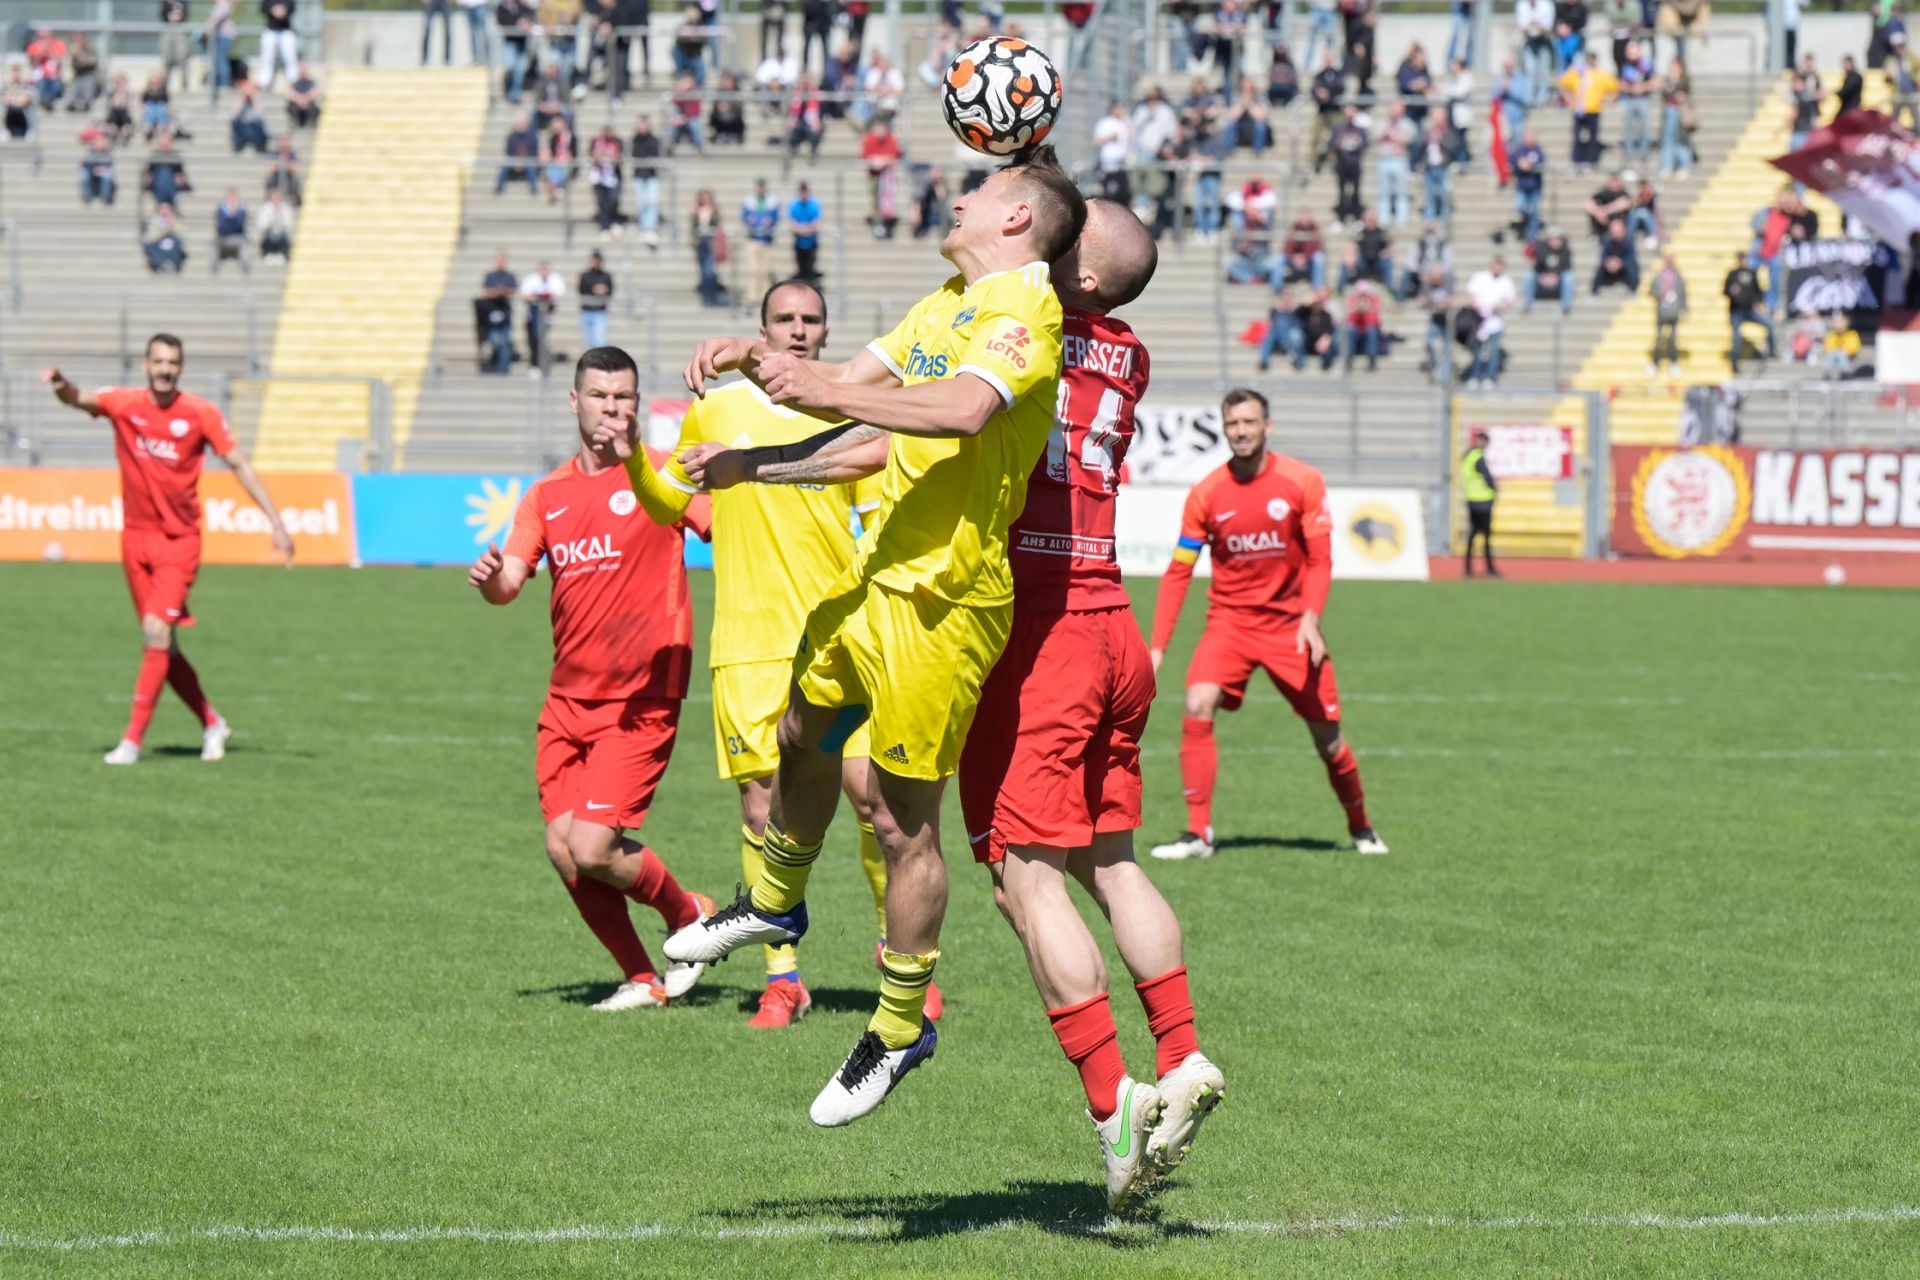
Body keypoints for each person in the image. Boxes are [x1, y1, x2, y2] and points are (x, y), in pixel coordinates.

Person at [654, 146, 1088, 1127]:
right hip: (877, 576)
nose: (960, 195)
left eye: (982, 188)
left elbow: (960, 410)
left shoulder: (1025, 312)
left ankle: (897, 1027)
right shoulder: (945, 303)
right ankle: (774, 899)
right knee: (800, 731)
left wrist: (817, 388)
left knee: (900, 823)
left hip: (946, 602)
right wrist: (756, 412)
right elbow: (854, 408)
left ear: (1017, 217)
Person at [954, 199, 1223, 1210]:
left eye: (1069, 238)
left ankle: (1115, 1106)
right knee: (1111, 860)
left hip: (1046, 629)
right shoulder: (1128, 353)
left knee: (1025, 880)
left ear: (1085, 277)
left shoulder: (1024, 328)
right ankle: (1183, 1052)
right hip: (1114, 620)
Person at [623, 278, 943, 1030]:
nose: (798, 330)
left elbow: (877, 516)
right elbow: (669, 503)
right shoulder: (716, 409)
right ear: (761, 329)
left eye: (811, 320)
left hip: (838, 635)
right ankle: (782, 977)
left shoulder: (849, 409)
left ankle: (898, 952)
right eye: (784, 319)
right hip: (748, 642)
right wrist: (632, 454)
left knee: (873, 799)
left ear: (826, 333)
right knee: (763, 808)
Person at [467, 347, 716, 1013]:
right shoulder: (546, 496)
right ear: (574, 401)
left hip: (641, 698)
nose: (612, 407)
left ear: (636, 405)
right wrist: (491, 580)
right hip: (566, 701)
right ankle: (642, 978)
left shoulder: (663, 473)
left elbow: (723, 530)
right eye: (600, 395)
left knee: (592, 844)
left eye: (623, 396)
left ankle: (689, 913)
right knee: (563, 848)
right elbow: (510, 582)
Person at [1147, 388, 1386, 861]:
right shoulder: (1206, 494)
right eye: (1232, 424)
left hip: (1291, 628)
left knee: (1328, 738)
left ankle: (1361, 826)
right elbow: (1179, 571)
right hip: (1230, 624)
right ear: (1224, 429)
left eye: (1249, 422)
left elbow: (1320, 559)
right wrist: (1157, 647)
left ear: (1267, 427)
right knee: (1197, 703)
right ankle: (1198, 834)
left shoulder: (1302, 481)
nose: (1241, 431)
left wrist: (1311, 618)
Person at [42, 336, 294, 765]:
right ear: (145, 365)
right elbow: (79, 399)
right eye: (158, 361)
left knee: (155, 633)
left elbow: (239, 463)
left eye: (172, 362)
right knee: (165, 646)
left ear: (181, 368)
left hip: (179, 543)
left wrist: (276, 522)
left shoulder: (199, 413)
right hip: (135, 540)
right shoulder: (124, 404)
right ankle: (212, 723)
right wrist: (60, 384)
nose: (165, 369)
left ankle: (131, 742)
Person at [1558, 51, 1620, 172]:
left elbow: (1614, 87)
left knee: (1593, 137)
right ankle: (1577, 161)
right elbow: (1563, 84)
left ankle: (1590, 161)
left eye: (1592, 59)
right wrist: (1567, 97)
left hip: (1594, 110)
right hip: (1579, 110)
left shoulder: (1601, 75)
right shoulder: (1577, 73)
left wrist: (1608, 99)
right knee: (1577, 137)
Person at [1465, 256, 1515, 387]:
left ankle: (1489, 376)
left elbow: (1509, 302)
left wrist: (1495, 306)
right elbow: (1470, 295)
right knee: (1477, 350)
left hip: (1495, 322)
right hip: (1478, 320)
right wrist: (1479, 308)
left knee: (1493, 350)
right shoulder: (1480, 277)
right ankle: (1475, 375)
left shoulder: (1506, 281)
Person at [1724, 249, 1773, 373]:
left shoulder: (1752, 273)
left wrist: (1759, 303)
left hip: (1749, 310)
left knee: (1769, 325)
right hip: (1736, 311)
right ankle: (1734, 362)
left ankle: (1772, 353)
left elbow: (1758, 291)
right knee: (1736, 337)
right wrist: (1731, 291)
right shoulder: (1732, 274)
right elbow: (1725, 290)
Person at [1460, 427, 1498, 577]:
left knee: (1473, 534)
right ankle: (1490, 568)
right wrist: (1495, 489)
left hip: (1471, 499)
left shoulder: (1468, 456)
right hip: (1483, 501)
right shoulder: (1478, 457)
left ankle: (1468, 569)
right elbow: (1487, 478)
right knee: (1485, 536)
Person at [520, 258, 568, 372]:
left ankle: (543, 361)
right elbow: (524, 295)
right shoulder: (531, 279)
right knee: (535, 339)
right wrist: (537, 297)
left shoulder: (555, 279)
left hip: (548, 315)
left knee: (542, 339)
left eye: (546, 269)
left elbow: (561, 294)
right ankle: (536, 363)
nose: (544, 272)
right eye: (542, 269)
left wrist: (547, 296)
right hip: (534, 315)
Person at [741, 177, 781, 298]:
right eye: (759, 186)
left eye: (762, 186)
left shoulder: (772, 200)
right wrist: (751, 220)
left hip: (767, 240)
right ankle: (753, 296)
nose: (761, 188)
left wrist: (768, 222)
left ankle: (765, 295)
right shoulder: (749, 200)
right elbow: (745, 217)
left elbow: (774, 217)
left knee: (766, 270)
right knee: (753, 270)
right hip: (753, 239)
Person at [1648, 252, 1686, 377]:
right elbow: (1651, 291)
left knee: (1673, 339)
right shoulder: (1659, 276)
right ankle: (1655, 363)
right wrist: (1659, 294)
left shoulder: (1678, 277)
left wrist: (1684, 310)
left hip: (1674, 312)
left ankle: (1673, 363)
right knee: (1659, 339)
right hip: (1662, 311)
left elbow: (1683, 295)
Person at [482, 251, 518, 372]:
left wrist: (499, 291)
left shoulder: (509, 276)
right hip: (492, 312)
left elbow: (512, 290)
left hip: (505, 313)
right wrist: (500, 291)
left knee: (505, 341)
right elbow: (487, 292)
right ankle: (495, 364)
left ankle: (502, 368)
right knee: (495, 340)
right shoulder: (490, 276)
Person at [259, 0, 300, 92]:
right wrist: (272, 11)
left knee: (290, 57)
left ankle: (293, 81)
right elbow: (262, 8)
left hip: (286, 30)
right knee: (267, 58)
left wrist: (284, 10)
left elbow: (293, 8)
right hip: (270, 29)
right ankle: (265, 82)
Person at [1591, 216, 1639, 294]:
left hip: (1624, 265)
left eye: (1617, 232)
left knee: (1632, 267)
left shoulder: (1629, 240)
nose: (1615, 234)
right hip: (1611, 265)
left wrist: (1620, 262)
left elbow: (1631, 256)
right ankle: (1594, 292)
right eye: (1613, 232)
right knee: (1600, 268)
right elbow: (1604, 256)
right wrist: (1608, 262)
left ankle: (1633, 290)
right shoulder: (1607, 240)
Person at [788, 179, 822, 283]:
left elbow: (816, 225)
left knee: (809, 268)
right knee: (801, 269)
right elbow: (792, 225)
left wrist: (802, 229)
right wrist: (806, 229)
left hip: (811, 243)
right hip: (799, 243)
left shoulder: (814, 205)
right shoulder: (794, 205)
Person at [578, 250, 613, 350]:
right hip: (586, 310)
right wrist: (594, 290)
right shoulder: (585, 276)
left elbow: (610, 291)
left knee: (599, 341)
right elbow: (581, 290)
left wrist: (604, 290)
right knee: (588, 342)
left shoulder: (605, 276)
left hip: (599, 311)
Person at [213, 188, 250, 274]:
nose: (232, 198)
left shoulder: (241, 210)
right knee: (215, 242)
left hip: (238, 237)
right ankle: (215, 268)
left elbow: (241, 226)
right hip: (224, 237)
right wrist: (234, 222)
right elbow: (221, 226)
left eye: (234, 196)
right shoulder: (221, 209)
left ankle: (244, 267)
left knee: (244, 242)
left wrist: (229, 222)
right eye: (230, 196)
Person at [258, 188, 296, 261]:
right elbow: (261, 224)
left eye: (277, 198)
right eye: (274, 198)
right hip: (269, 233)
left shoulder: (285, 208)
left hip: (281, 232)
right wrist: (269, 222)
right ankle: (269, 253)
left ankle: (281, 253)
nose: (276, 200)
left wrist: (281, 220)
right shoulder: (265, 208)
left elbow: (289, 223)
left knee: (283, 236)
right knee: (268, 237)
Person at [79, 135, 117, 206]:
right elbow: (85, 164)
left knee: (108, 176)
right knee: (83, 176)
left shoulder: (108, 153)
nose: (100, 144)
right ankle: (87, 197)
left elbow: (109, 164)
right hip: (91, 172)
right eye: (98, 142)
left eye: (102, 142)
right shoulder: (89, 152)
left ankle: (105, 197)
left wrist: (101, 170)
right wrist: (93, 170)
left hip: (103, 171)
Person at [285, 63, 324, 128]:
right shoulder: (295, 83)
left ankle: (311, 123)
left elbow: (317, 91)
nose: (303, 73)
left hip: (309, 106)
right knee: (291, 106)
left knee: (315, 107)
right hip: (297, 107)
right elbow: (288, 92)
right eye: (301, 71)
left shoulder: (312, 83)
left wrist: (306, 99)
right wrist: (299, 99)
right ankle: (295, 123)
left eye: (304, 71)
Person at [1823, 312, 1860, 380]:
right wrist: (1836, 350)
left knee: (1841, 354)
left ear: (1846, 324)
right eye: (1836, 323)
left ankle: (1845, 373)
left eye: (1840, 322)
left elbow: (1854, 348)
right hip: (1834, 355)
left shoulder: (1852, 334)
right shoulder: (1831, 334)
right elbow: (1827, 347)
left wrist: (1844, 350)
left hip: (1849, 356)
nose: (1838, 325)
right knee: (1832, 355)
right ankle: (1827, 373)